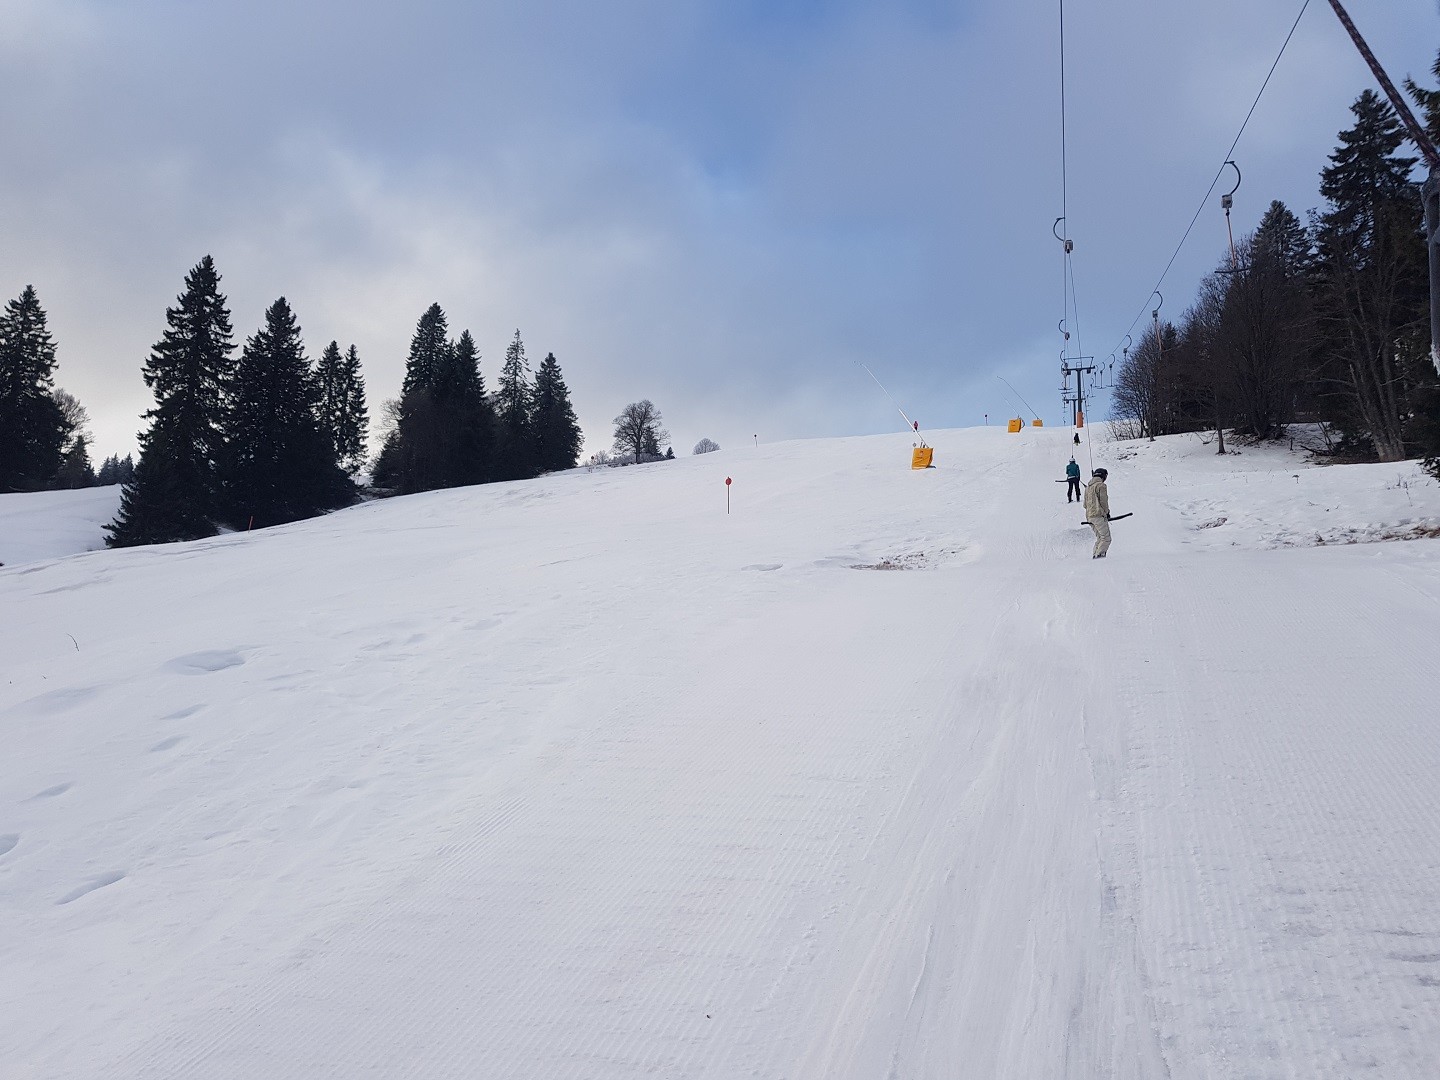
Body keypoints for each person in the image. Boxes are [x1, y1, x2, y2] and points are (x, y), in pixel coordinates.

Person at [1084, 467, 1111, 559]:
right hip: (1098, 516)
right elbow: (1104, 502)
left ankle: (1095, 555)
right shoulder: (1101, 486)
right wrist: (1106, 513)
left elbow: (1084, 505)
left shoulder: (1088, 488)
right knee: (1106, 538)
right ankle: (1100, 556)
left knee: (1100, 538)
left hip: (1089, 517)